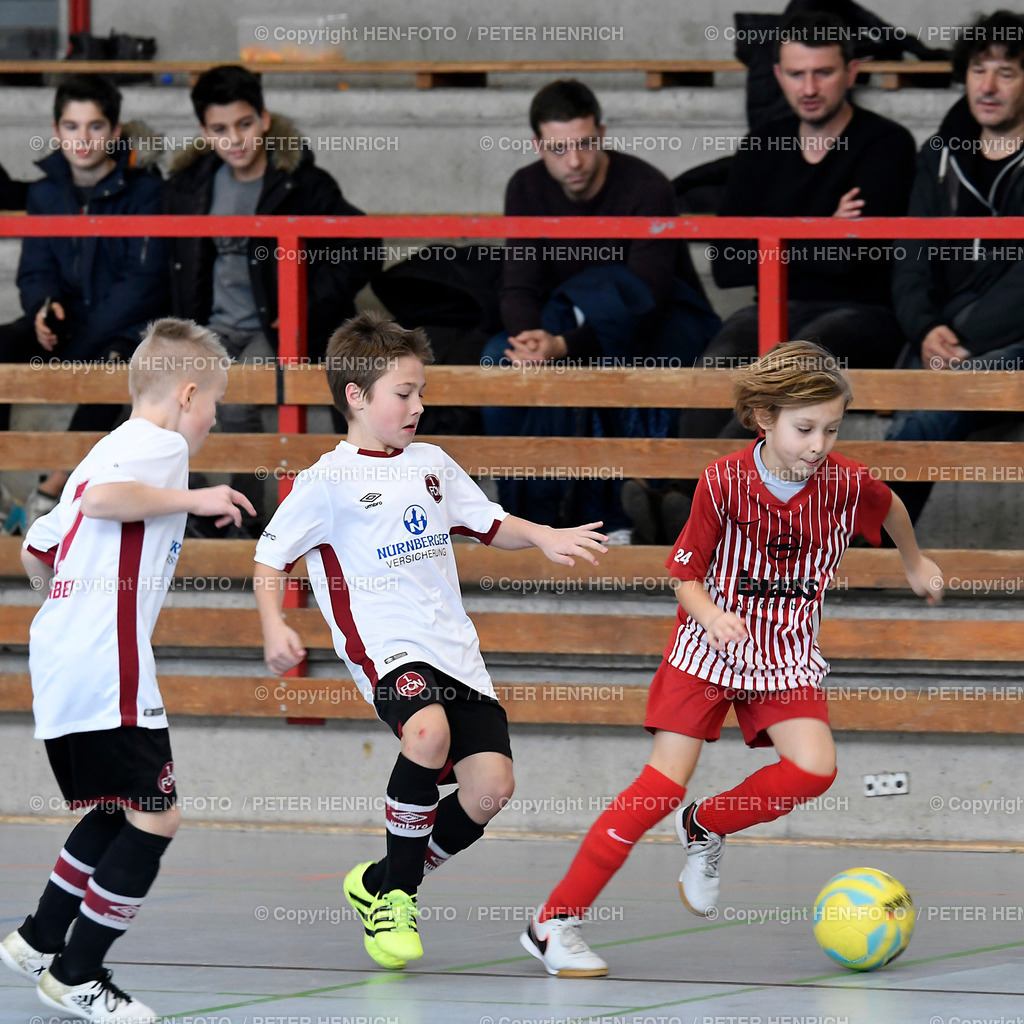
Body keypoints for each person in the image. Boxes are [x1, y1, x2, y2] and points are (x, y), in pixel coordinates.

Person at [520, 340, 944, 978]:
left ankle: (708, 823)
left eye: (831, 429)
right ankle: (554, 922)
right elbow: (684, 574)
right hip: (708, 646)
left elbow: (892, 509)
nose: (817, 444)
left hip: (786, 652)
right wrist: (713, 614)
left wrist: (913, 560)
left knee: (813, 769)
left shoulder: (847, 483)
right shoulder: (724, 481)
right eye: (804, 429)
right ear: (764, 419)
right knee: (658, 786)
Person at [253, 311, 606, 970]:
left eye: (420, 392)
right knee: (428, 734)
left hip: (454, 649)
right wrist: (276, 625)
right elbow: (270, 561)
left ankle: (379, 880)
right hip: (385, 647)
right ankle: (397, 901)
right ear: (357, 397)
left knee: (490, 788)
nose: (418, 405)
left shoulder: (432, 463)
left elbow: (490, 521)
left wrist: (544, 536)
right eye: (403, 394)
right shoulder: (326, 482)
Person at [0, 319, 254, 1021]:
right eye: (215, 405)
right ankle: (78, 973)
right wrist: (199, 498)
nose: (213, 420)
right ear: (189, 393)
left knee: (118, 806)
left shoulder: (104, 448)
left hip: (62, 656)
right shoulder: (162, 446)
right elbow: (107, 504)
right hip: (106, 660)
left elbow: (37, 549)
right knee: (158, 816)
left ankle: (38, 938)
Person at [480, 78, 720, 543]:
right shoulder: (526, 188)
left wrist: (564, 345)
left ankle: (627, 511)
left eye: (585, 145)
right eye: (559, 149)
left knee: (629, 362)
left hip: (649, 323)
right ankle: (520, 517)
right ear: (537, 145)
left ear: (602, 134)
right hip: (554, 325)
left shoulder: (647, 186)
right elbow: (517, 283)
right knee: (496, 361)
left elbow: (647, 294)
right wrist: (531, 340)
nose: (574, 162)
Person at [684, 9, 917, 441]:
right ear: (777, 73)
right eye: (796, 74)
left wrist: (775, 234)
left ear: (852, 72)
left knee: (792, 363)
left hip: (863, 312)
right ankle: (678, 492)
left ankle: (705, 487)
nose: (808, 89)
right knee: (717, 364)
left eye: (823, 72)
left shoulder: (886, 144)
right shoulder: (761, 146)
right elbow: (727, 264)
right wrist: (824, 228)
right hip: (771, 305)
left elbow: (857, 258)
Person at [163, 64, 379, 532]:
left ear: (263, 119)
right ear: (204, 132)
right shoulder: (190, 185)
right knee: (155, 395)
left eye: (244, 124)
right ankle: (200, 511)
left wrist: (303, 307)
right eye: (220, 130)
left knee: (238, 399)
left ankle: (247, 521)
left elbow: (364, 244)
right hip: (210, 328)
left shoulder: (301, 182)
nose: (235, 139)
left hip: (271, 330)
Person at [0, 74, 168, 525]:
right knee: (4, 344)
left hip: (122, 329)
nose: (83, 139)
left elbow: (144, 281)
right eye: (71, 127)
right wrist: (43, 308)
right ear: (56, 131)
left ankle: (52, 487)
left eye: (95, 127)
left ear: (114, 132)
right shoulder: (44, 193)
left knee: (118, 365)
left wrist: (86, 339)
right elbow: (35, 269)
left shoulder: (144, 191)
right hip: (68, 322)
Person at [886, 9, 1024, 523]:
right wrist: (926, 329)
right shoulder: (939, 154)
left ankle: (851, 554)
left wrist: (964, 340)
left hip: (1006, 341)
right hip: (940, 336)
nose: (987, 86)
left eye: (1006, 73)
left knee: (929, 411)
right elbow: (911, 256)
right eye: (978, 70)